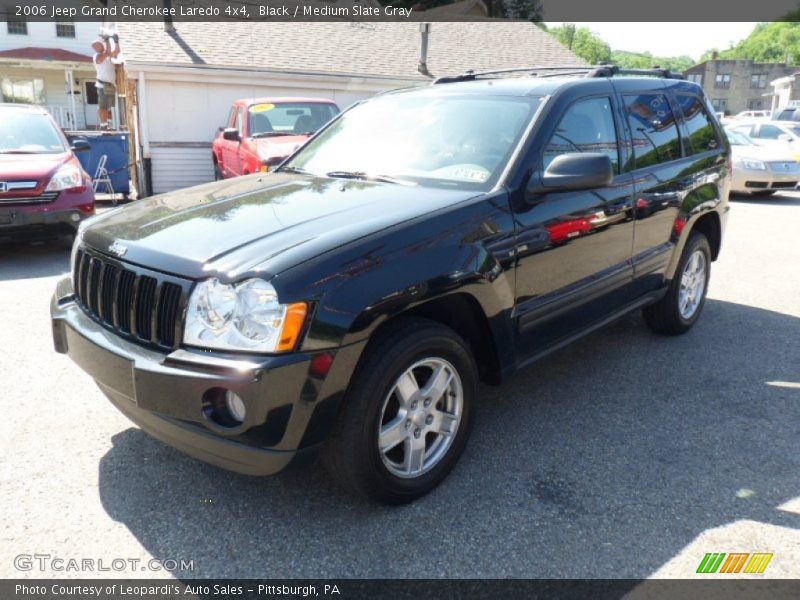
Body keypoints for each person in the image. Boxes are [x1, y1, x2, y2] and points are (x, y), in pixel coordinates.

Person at [92, 35, 121, 130]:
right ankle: (103, 125)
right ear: (94, 48)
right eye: (97, 46)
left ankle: (108, 125)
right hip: (102, 85)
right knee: (103, 106)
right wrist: (108, 40)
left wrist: (116, 42)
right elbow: (107, 52)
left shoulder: (107, 57)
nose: (99, 46)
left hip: (111, 85)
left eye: (100, 44)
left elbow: (116, 52)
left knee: (109, 107)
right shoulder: (97, 56)